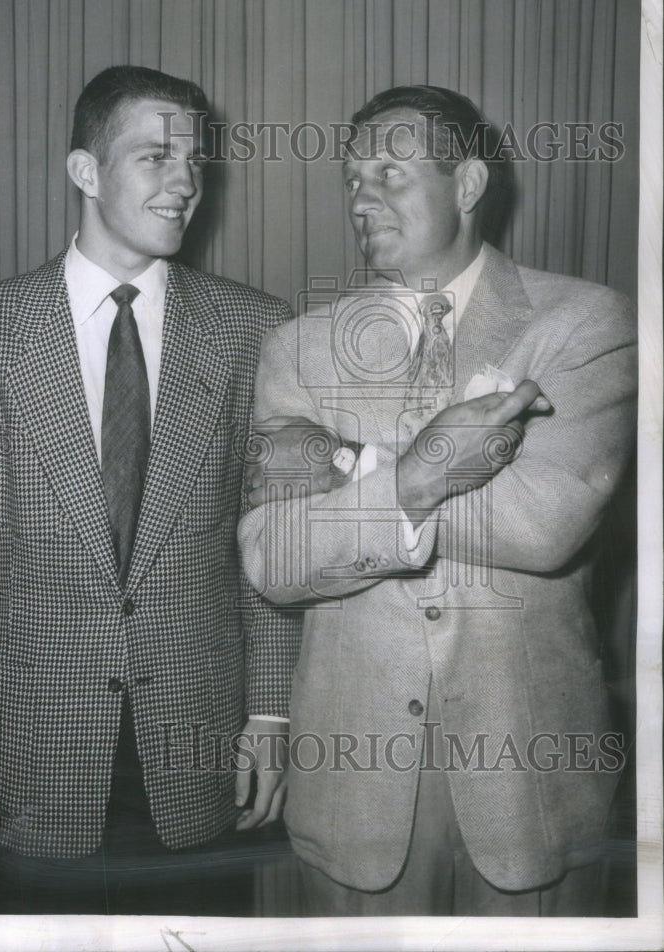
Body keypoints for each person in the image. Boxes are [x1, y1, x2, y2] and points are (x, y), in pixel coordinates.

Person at [0, 65, 300, 916]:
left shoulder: (257, 329)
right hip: (26, 762)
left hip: (204, 759)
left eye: (195, 161)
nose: (186, 182)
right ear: (84, 171)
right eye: (155, 157)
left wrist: (270, 718)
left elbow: (271, 545)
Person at [238, 85, 637, 916]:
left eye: (389, 171)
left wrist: (353, 463)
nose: (361, 196)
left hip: (535, 781)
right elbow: (273, 559)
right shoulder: (298, 348)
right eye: (351, 178)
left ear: (467, 185)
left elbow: (546, 523)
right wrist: (429, 469)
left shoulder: (586, 322)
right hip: (354, 791)